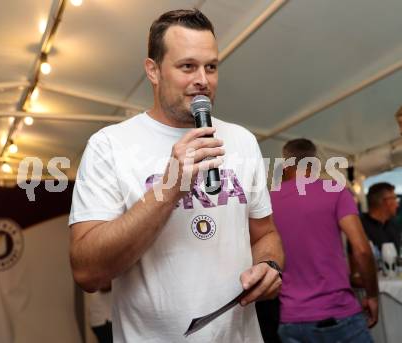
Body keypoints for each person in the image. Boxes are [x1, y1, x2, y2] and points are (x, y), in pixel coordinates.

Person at [68, 8, 284, 343]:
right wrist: (170, 187)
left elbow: (265, 234)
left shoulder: (242, 141)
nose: (203, 79)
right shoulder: (108, 146)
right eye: (188, 66)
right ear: (153, 71)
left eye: (211, 66)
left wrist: (269, 266)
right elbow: (87, 271)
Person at [271, 138, 378, 343]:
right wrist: (372, 296)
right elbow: (362, 250)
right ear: (316, 163)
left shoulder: (268, 200)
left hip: (291, 319)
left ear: (285, 165)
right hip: (338, 314)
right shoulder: (335, 190)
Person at [361, 182, 400, 253]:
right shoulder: (360, 227)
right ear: (386, 201)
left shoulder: (393, 225)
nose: (397, 205)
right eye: (394, 199)